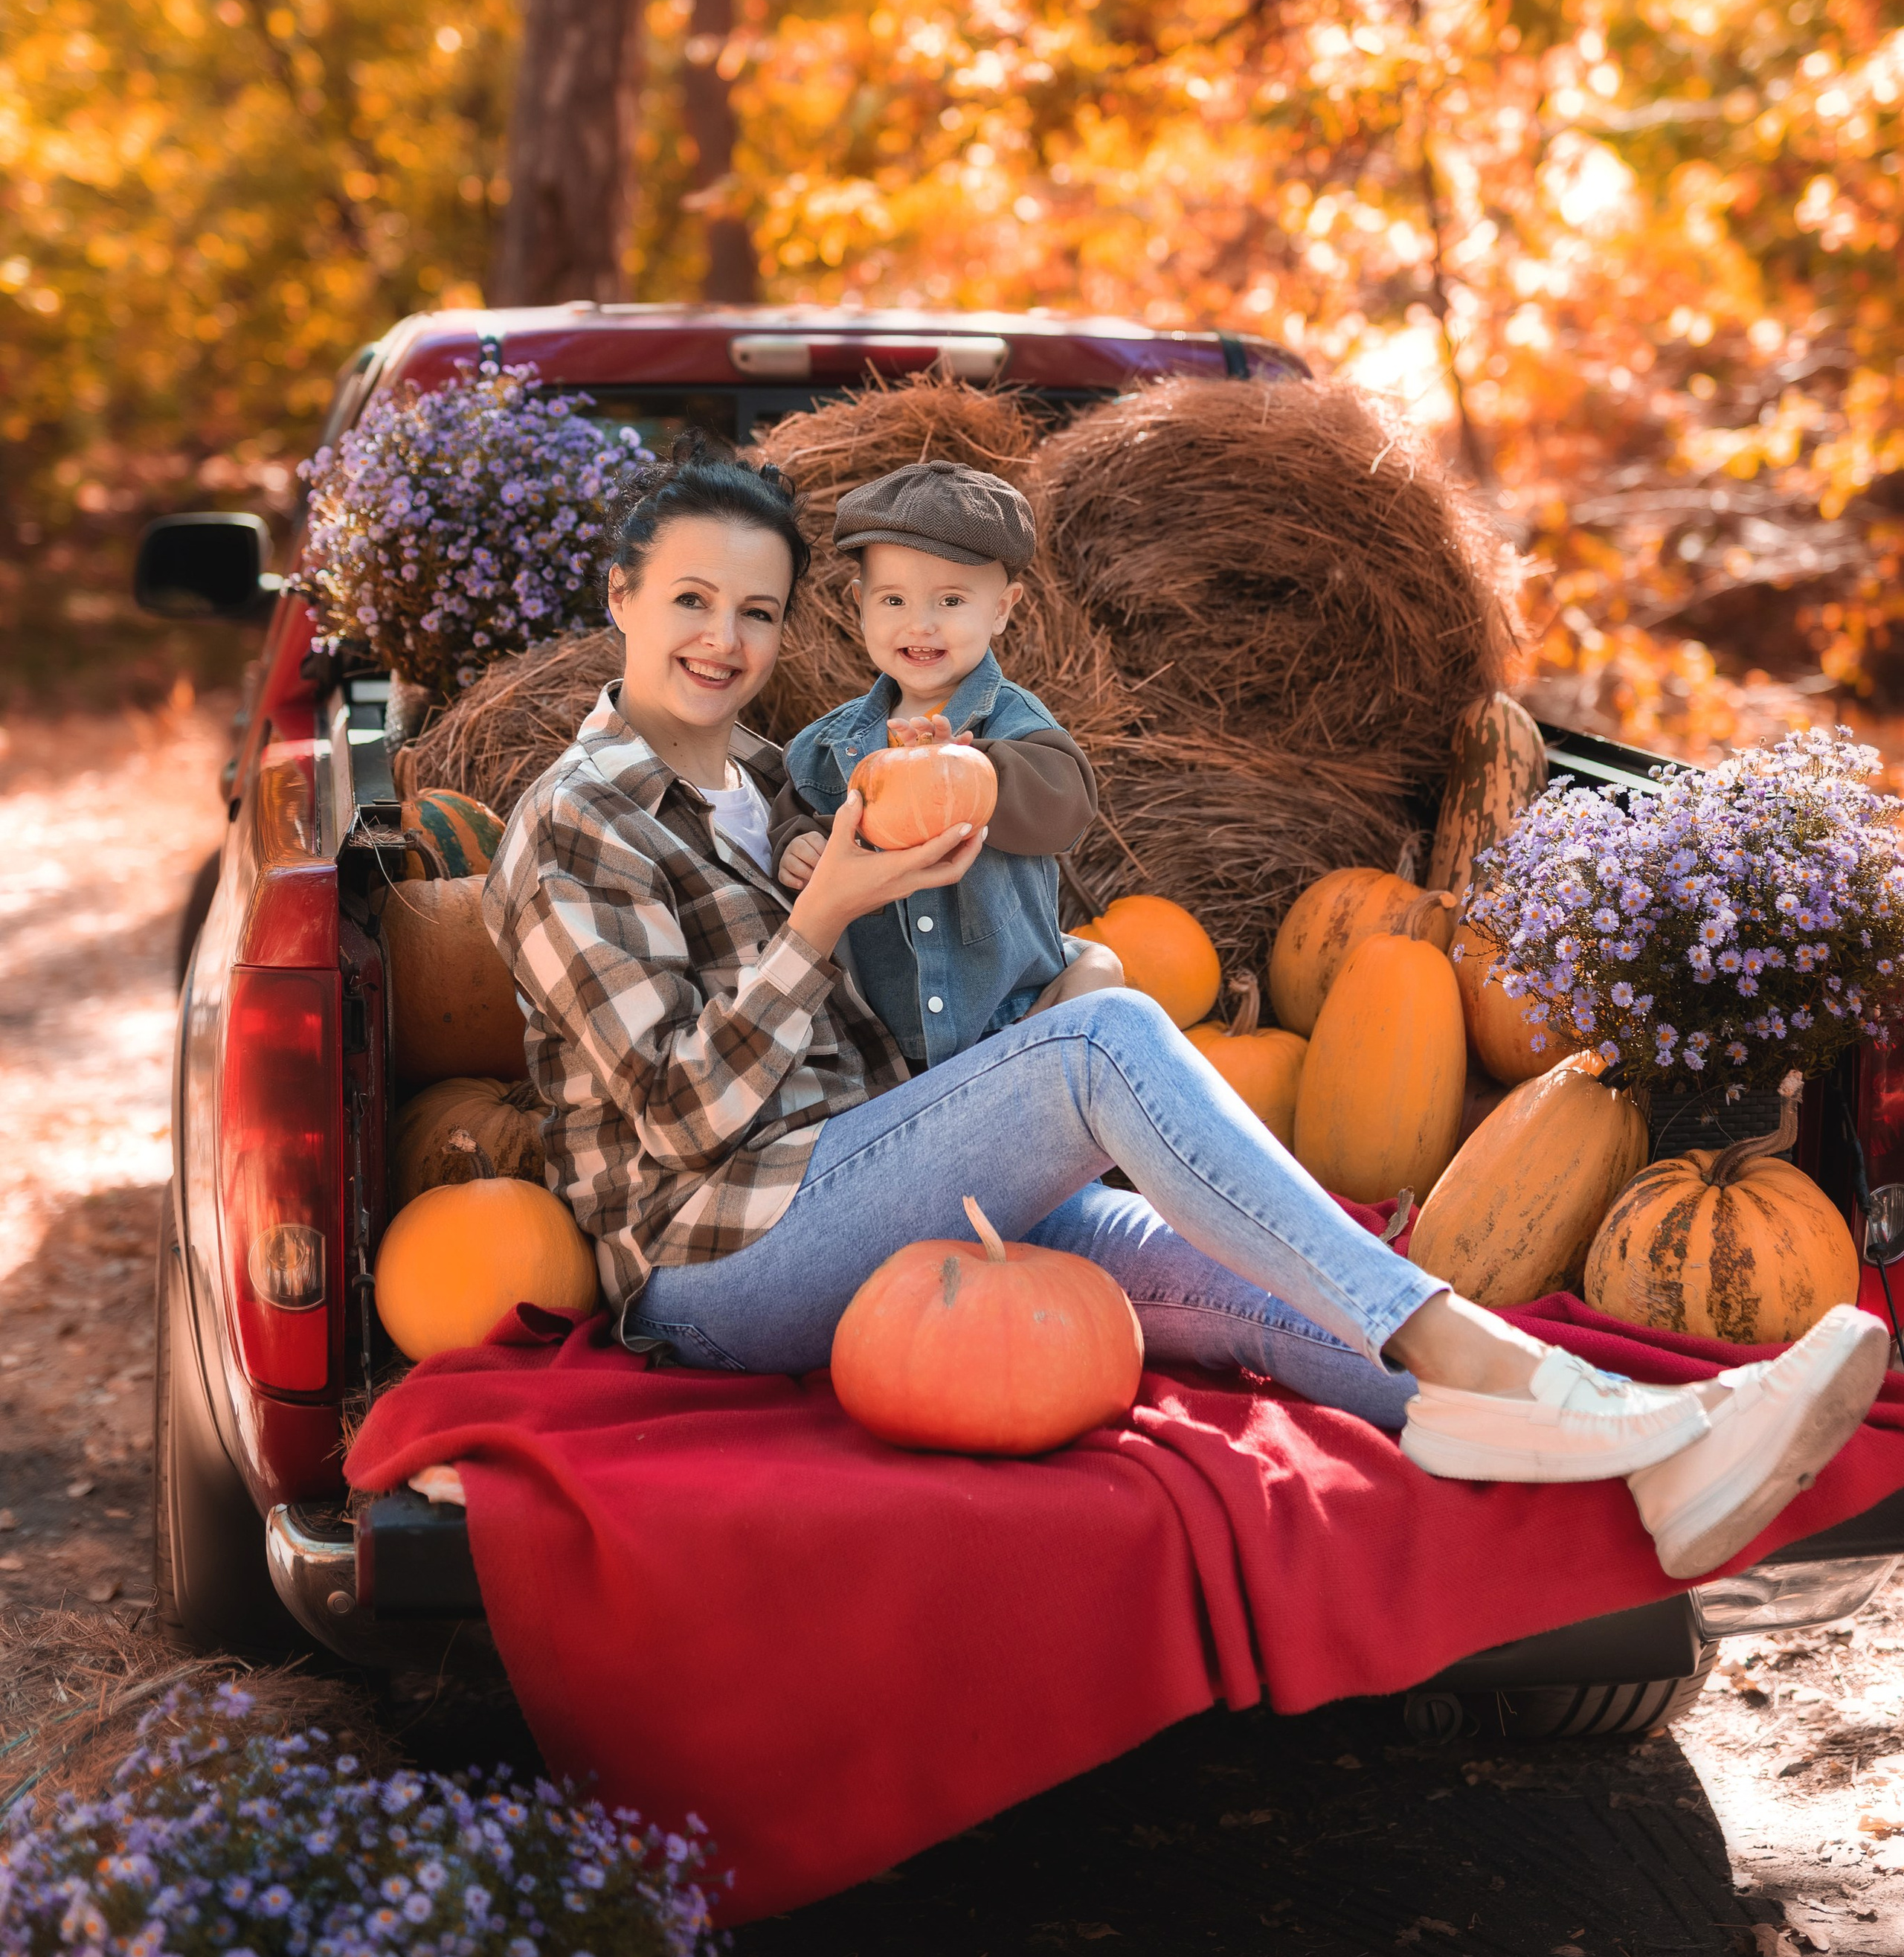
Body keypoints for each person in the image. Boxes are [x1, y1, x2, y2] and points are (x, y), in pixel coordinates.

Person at [483, 437, 1890, 1584]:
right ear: (621, 597)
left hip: (876, 1187)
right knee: (1106, 1042)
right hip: (720, 1257)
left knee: (1246, 1279)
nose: (723, 638)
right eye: (690, 600)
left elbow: (921, 978)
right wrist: (824, 917)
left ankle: (1649, 1447)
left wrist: (1008, 975)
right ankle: (1522, 1377)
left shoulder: (768, 786)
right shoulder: (575, 822)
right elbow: (684, 1113)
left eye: (756, 610)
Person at [772, 460, 1122, 1073]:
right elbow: (792, 813)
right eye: (894, 599)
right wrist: (796, 842)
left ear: (1002, 609)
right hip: (886, 1058)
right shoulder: (823, 746)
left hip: (1012, 1021)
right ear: (859, 605)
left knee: (1112, 1007)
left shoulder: (1010, 721)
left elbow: (1067, 806)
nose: (921, 623)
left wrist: (964, 770)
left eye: (952, 600)